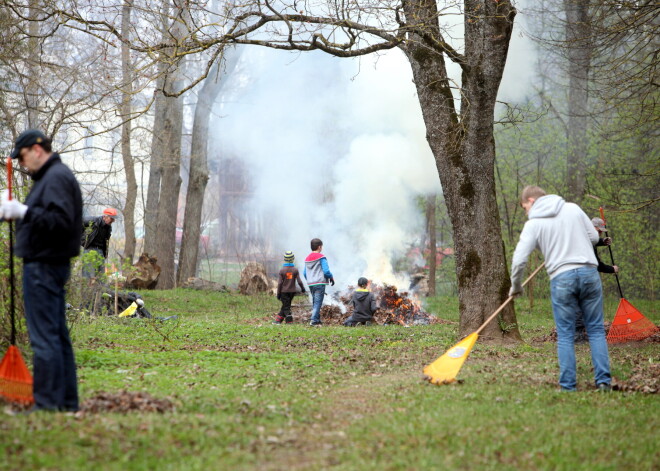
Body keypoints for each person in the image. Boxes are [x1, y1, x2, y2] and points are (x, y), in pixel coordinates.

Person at [1, 129, 83, 411]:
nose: (22, 164)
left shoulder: (56, 177)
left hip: (45, 265)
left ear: (37, 150)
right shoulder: (51, 178)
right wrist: (16, 210)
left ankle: (48, 405)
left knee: (45, 336)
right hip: (48, 263)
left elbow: (60, 222)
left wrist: (23, 212)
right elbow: (48, 218)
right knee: (56, 334)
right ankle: (66, 403)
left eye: (22, 157)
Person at [509, 185, 611, 392]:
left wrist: (516, 287)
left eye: (524, 207)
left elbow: (519, 260)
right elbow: (592, 237)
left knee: (565, 334)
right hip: (589, 273)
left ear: (530, 201)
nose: (526, 212)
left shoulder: (534, 223)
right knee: (596, 329)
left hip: (562, 277)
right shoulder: (573, 208)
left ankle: (568, 386)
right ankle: (603, 382)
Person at [574, 217, 620, 341]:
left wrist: (602, 241)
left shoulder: (583, 234)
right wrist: (612, 269)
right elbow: (597, 265)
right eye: (599, 231)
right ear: (592, 228)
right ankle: (577, 334)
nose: (599, 233)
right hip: (579, 274)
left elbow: (591, 240)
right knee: (581, 302)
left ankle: (582, 331)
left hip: (580, 273)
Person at [303, 238, 334, 326]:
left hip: (311, 283)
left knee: (315, 301)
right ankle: (313, 321)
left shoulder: (307, 258)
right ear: (319, 247)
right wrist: (331, 277)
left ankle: (317, 319)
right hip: (319, 283)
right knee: (318, 302)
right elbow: (326, 271)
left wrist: (309, 279)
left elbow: (304, 273)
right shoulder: (321, 257)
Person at [81, 207, 117, 278]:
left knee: (101, 274)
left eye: (113, 219)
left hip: (100, 250)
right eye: (111, 218)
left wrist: (105, 253)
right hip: (89, 249)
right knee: (87, 272)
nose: (113, 221)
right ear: (105, 216)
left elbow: (106, 241)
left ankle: (101, 288)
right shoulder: (93, 220)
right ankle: (86, 288)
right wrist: (82, 238)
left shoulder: (108, 227)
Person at [273, 251, 306, 324]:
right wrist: (303, 289)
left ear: (284, 259)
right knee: (286, 305)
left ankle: (289, 321)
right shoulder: (295, 270)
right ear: (292, 259)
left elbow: (280, 283)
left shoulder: (282, 270)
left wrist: (278, 294)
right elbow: (299, 281)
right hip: (292, 292)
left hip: (284, 292)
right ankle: (278, 321)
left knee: (286, 307)